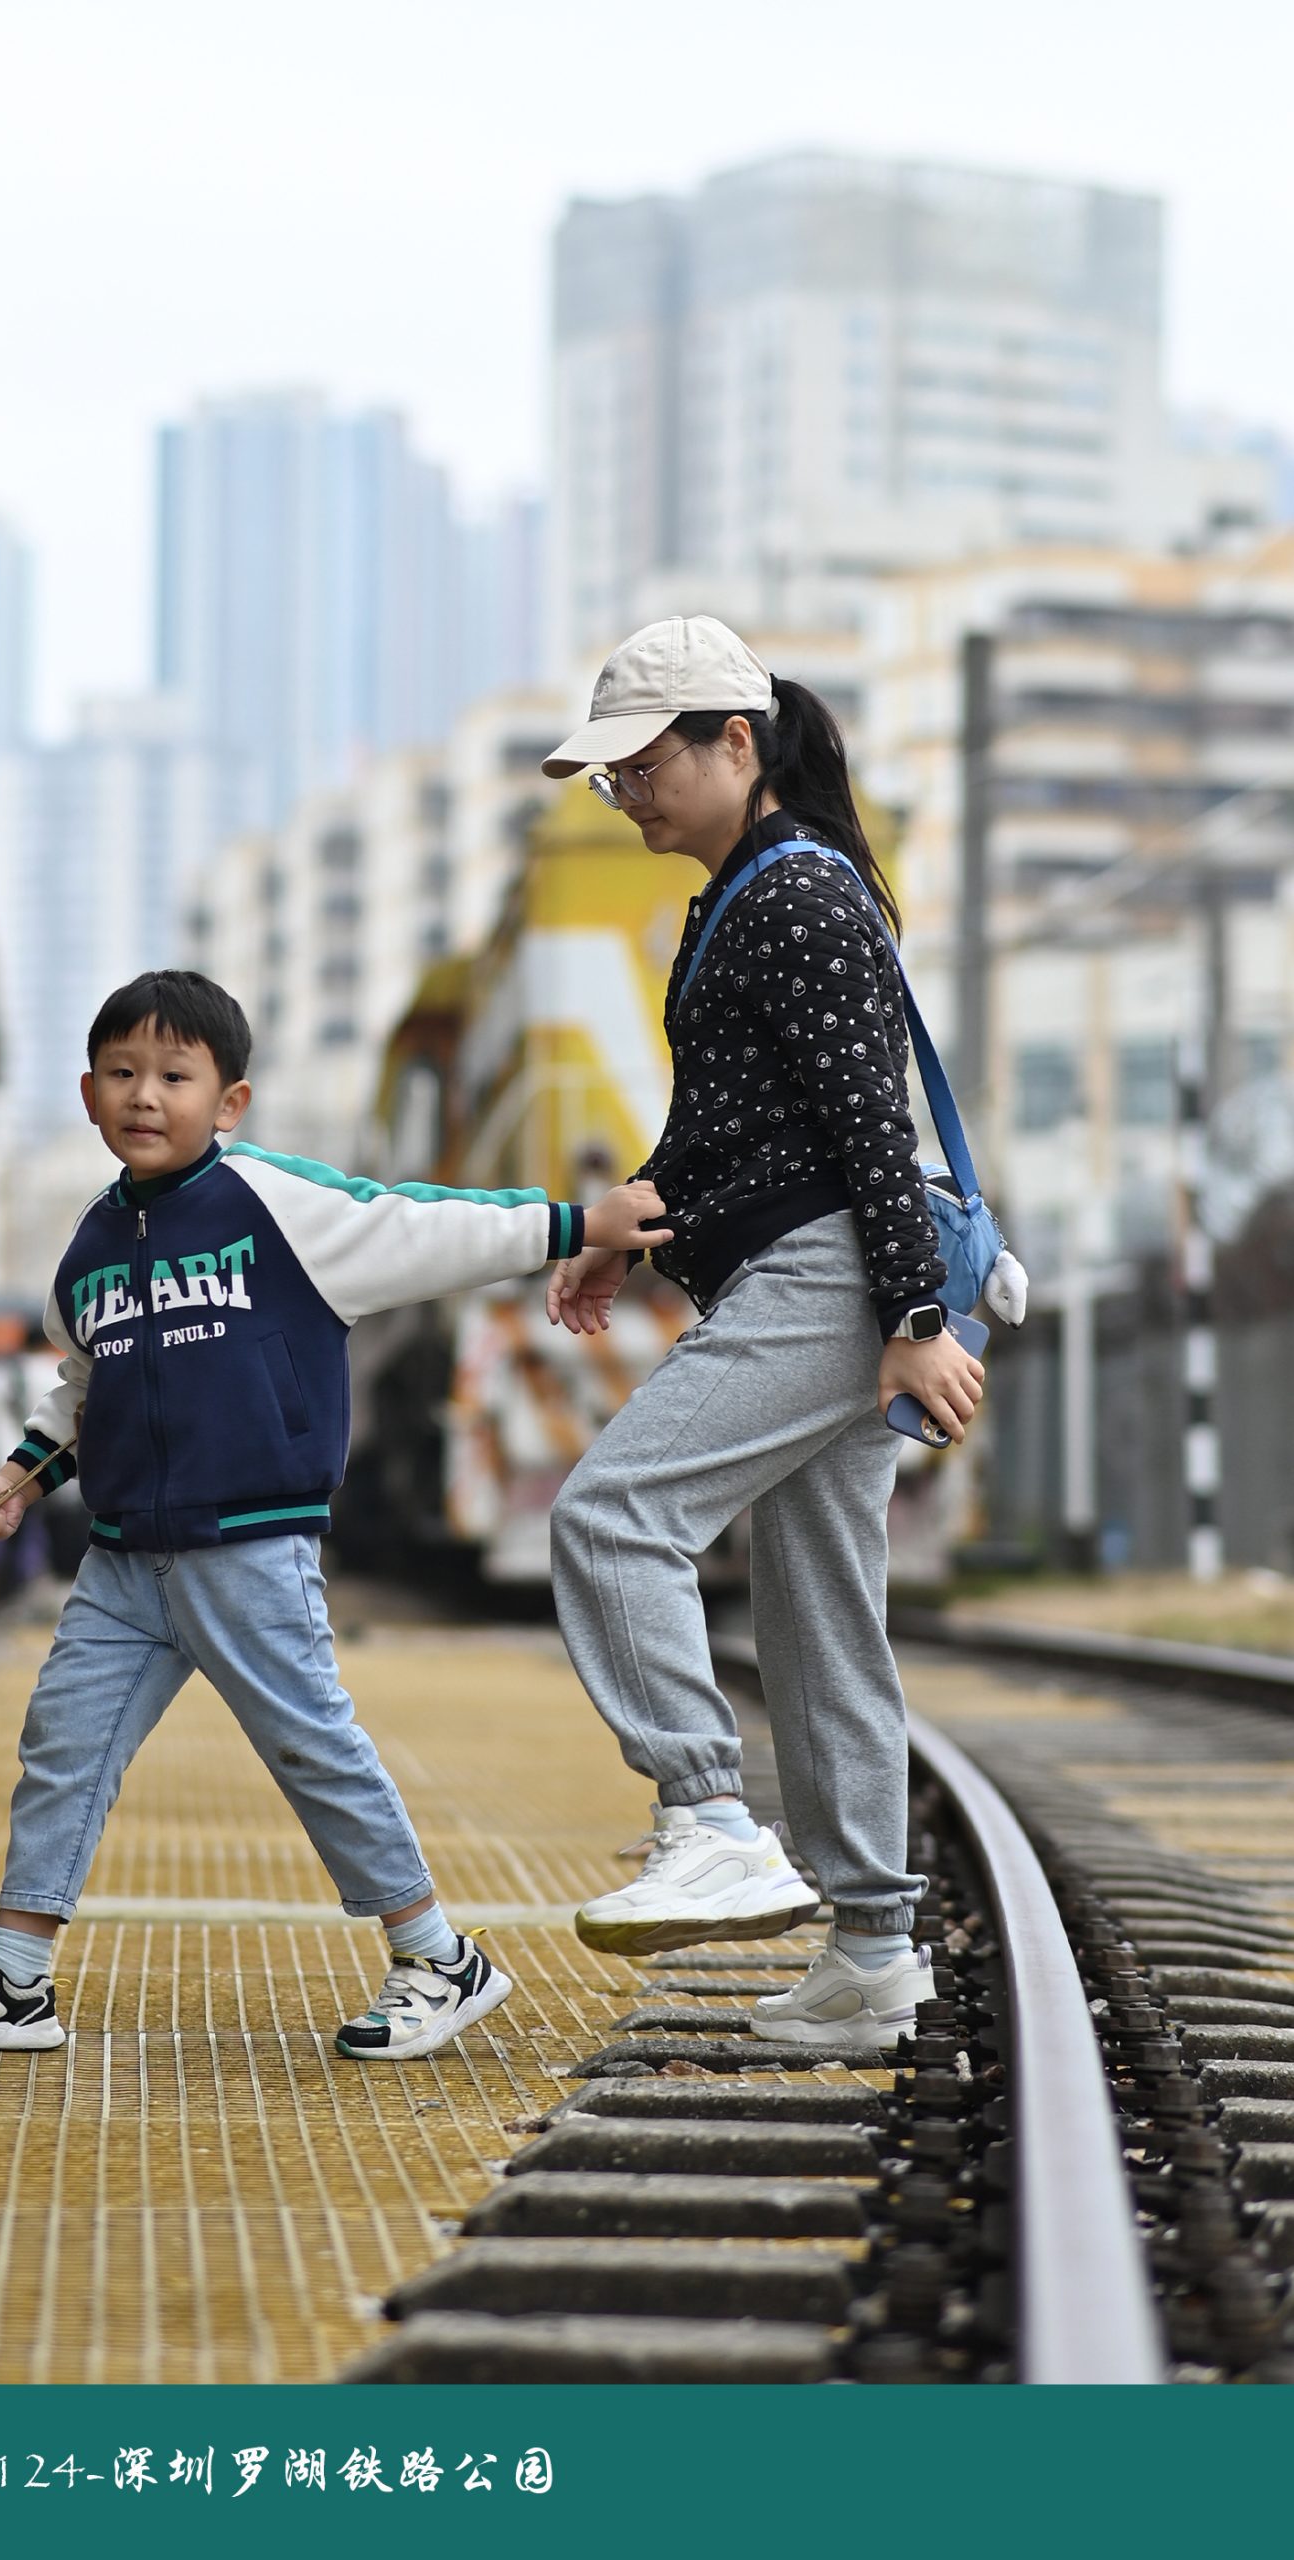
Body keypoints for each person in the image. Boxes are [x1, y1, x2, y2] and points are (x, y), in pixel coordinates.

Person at [0, 968, 670, 2060]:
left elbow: (422, 1225)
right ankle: (14, 1981)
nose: (146, 1095)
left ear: (228, 1102)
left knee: (309, 1747)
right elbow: (85, 1389)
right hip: (122, 1561)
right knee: (61, 1743)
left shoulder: (275, 1205)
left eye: (174, 1075)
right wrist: (14, 1477)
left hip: (247, 1544)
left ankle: (440, 1956)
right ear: (89, 1094)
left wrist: (577, 1219)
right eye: (121, 1074)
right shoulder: (86, 1256)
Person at [538, 614, 1002, 2048]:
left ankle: (704, 1812)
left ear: (734, 743)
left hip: (831, 1280)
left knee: (610, 1520)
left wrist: (913, 1318)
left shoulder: (792, 895)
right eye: (605, 775)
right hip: (804, 1274)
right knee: (817, 1626)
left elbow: (868, 1122)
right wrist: (636, 1218)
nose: (623, 795)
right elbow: (734, 1118)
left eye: (642, 765)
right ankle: (868, 1957)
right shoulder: (738, 891)